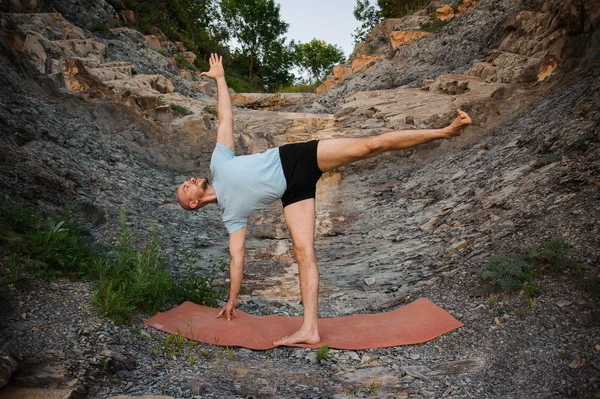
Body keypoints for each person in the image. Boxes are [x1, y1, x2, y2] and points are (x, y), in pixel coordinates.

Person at [177, 53, 472, 346]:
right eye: (186, 188)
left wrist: (221, 78)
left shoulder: (218, 163)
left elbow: (226, 117)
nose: (190, 181)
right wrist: (231, 300)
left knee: (370, 146)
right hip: (293, 194)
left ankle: (446, 132)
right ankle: (309, 329)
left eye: (187, 181)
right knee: (304, 252)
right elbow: (237, 259)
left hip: (296, 158)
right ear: (193, 203)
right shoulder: (231, 215)